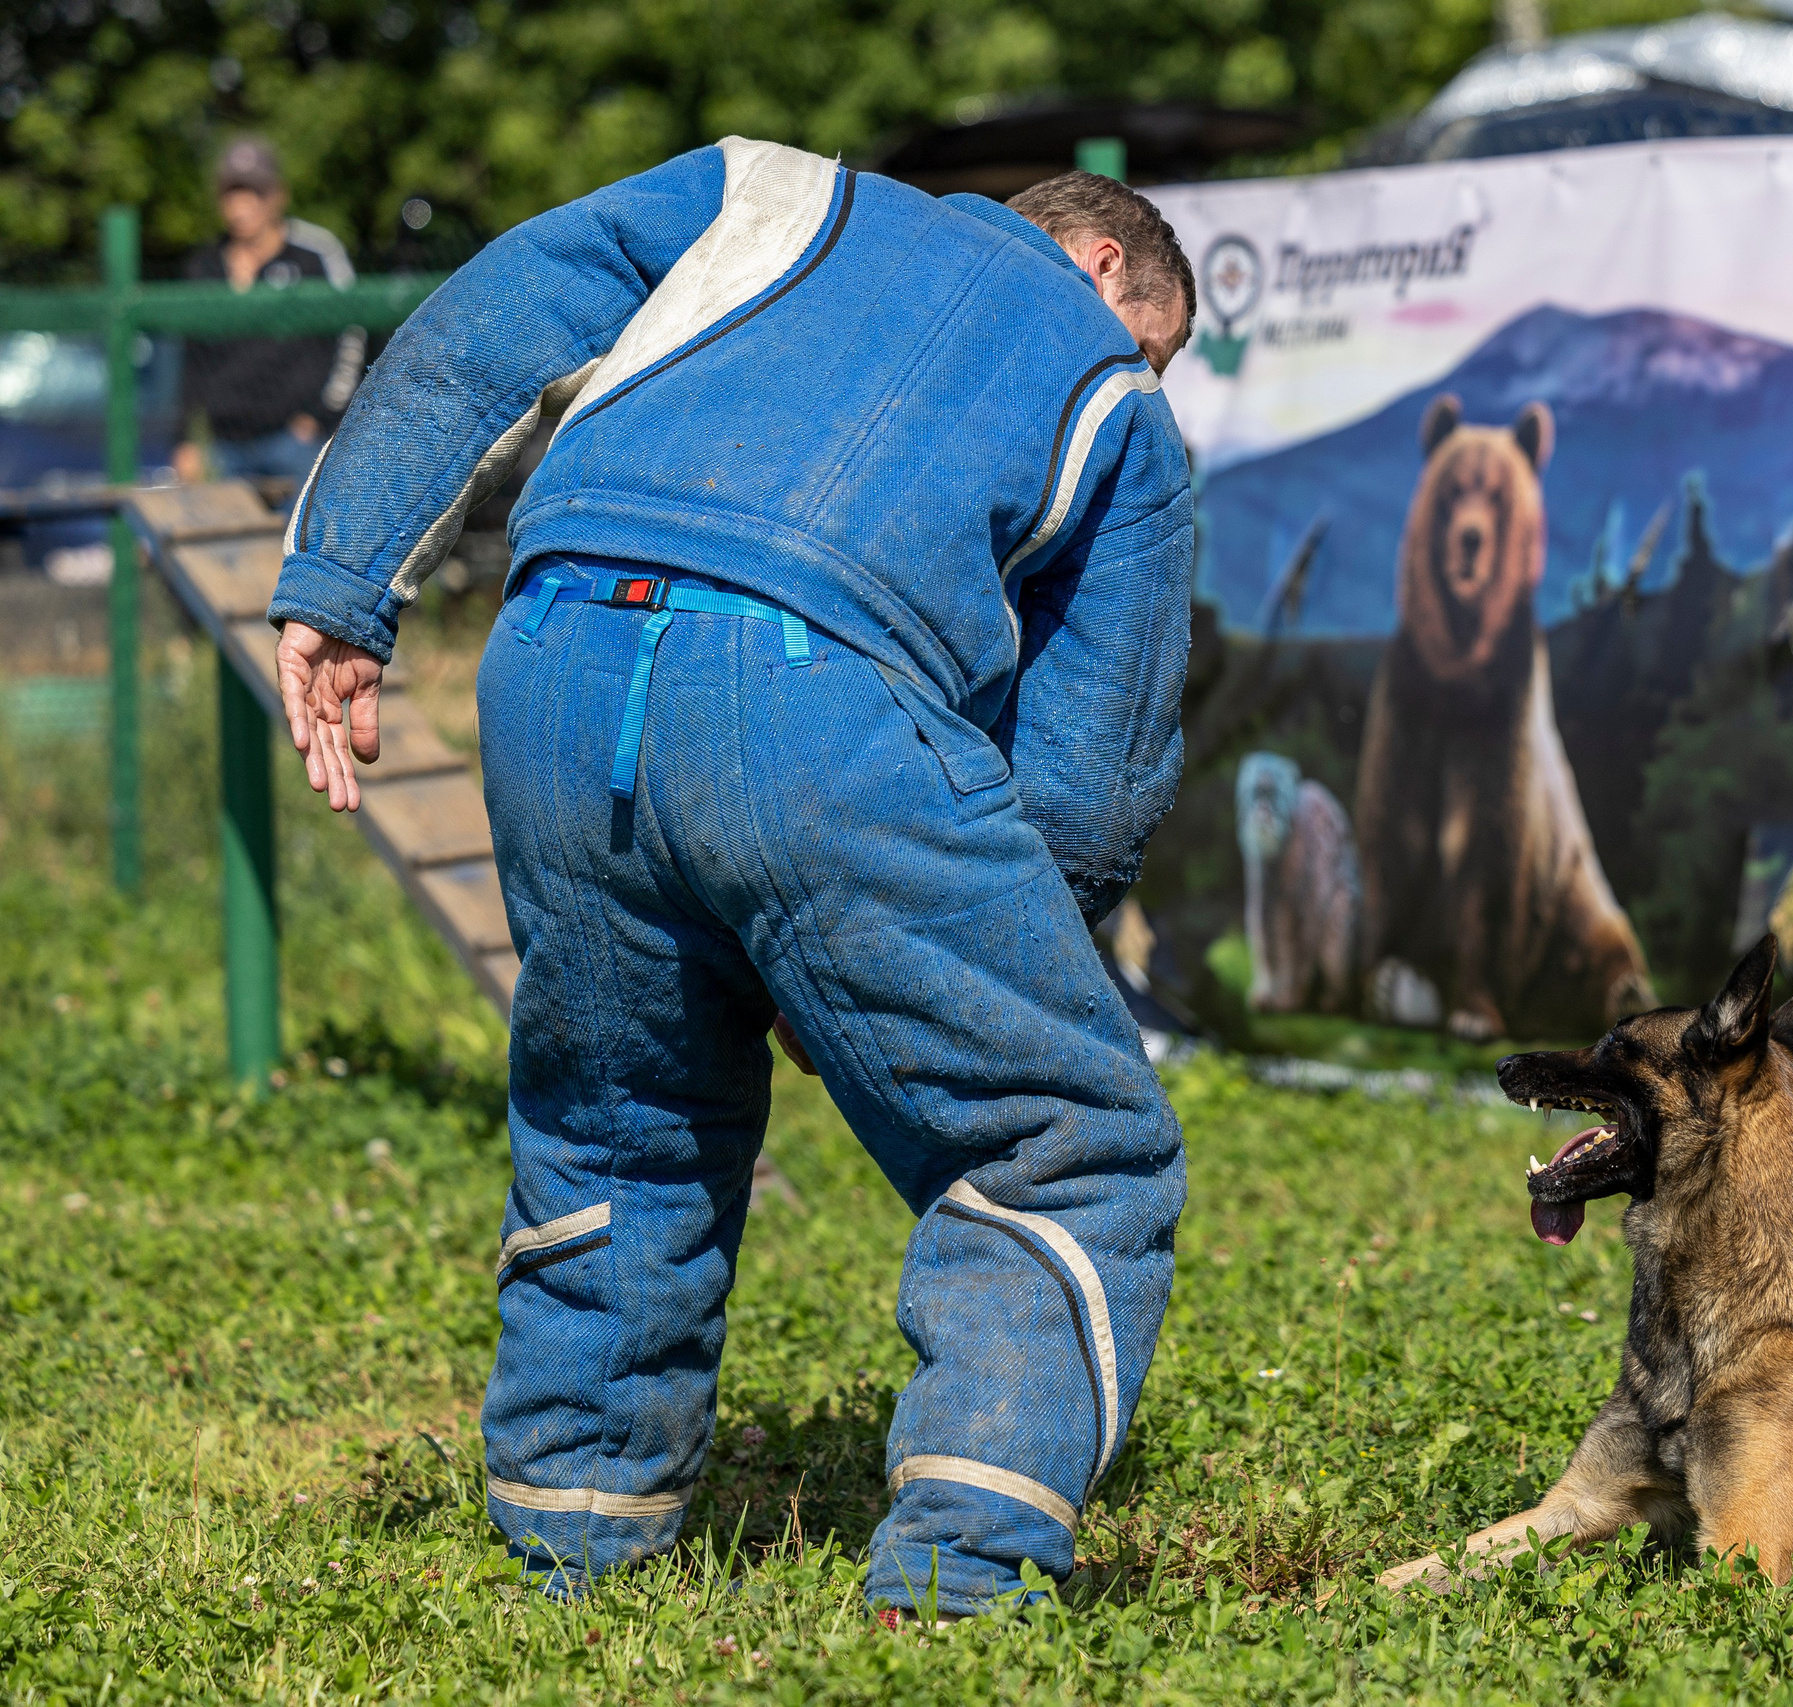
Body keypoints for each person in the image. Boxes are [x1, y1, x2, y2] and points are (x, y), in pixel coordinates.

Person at [264, 150, 1196, 1617]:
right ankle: (958, 1576)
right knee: (1067, 1138)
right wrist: (967, 957)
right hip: (824, 697)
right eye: (1159, 343)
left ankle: (570, 1539)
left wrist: (341, 576)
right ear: (1100, 270)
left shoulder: (762, 190)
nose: (1147, 375)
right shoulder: (1118, 395)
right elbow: (1090, 770)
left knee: (620, 1122)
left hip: (553, 659)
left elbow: (494, 310)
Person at [171, 136, 364, 488]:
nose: (241, 204)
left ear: (278, 195)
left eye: (254, 192)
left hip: (297, 440)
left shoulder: (314, 254)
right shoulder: (204, 266)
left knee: (301, 541)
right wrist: (185, 440)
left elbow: (355, 335)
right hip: (223, 445)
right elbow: (191, 360)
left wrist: (321, 416)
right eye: (232, 192)